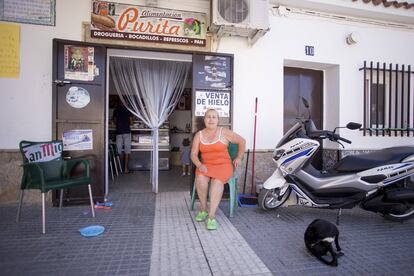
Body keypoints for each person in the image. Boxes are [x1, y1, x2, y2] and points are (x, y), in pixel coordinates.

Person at [190, 109, 246, 230]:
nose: (211, 119)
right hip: (206, 165)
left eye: (214, 117)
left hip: (224, 165)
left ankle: (211, 216)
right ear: (204, 119)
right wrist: (199, 165)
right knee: (200, 178)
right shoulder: (198, 135)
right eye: (208, 117)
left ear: (218, 120)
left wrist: (239, 157)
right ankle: (203, 209)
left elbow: (242, 141)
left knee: (217, 182)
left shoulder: (224, 132)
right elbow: (193, 154)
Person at [113, 103, 133, 174]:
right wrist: (127, 123)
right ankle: (125, 169)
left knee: (118, 151)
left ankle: (117, 169)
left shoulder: (116, 110)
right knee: (127, 151)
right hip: (127, 132)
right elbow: (131, 122)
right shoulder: (128, 110)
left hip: (119, 132)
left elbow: (115, 121)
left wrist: (119, 124)